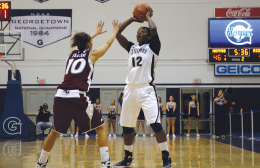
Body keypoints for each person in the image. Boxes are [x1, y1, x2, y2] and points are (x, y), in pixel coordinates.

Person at [35, 20, 121, 168]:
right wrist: (115, 31)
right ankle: (106, 163)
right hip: (77, 96)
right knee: (101, 127)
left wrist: (93, 34)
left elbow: (78, 44)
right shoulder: (92, 55)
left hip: (60, 95)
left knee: (55, 131)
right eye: (90, 42)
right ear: (89, 44)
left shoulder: (71, 54)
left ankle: (40, 163)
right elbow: (107, 44)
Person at [113, 7, 172, 168]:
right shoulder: (131, 47)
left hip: (146, 90)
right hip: (130, 90)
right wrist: (132, 19)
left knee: (155, 123)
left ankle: (166, 157)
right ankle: (128, 158)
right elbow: (117, 33)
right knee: (127, 126)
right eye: (137, 31)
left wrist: (147, 16)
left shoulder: (153, 47)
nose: (138, 33)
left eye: (142, 31)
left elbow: (153, 28)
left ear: (148, 36)